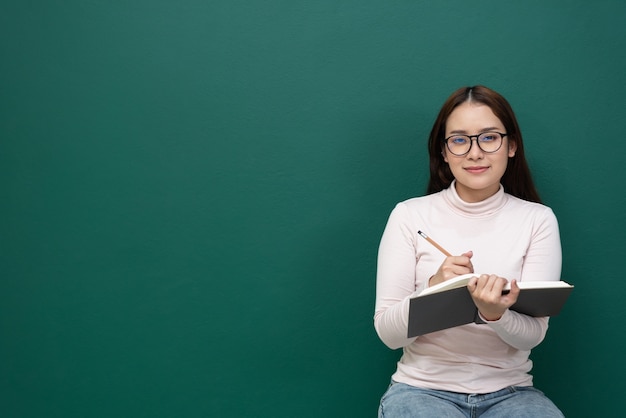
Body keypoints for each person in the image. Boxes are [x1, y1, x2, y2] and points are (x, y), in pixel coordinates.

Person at [374, 85, 565, 417]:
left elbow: (531, 336)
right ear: (444, 152)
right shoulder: (409, 215)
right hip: (421, 390)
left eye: (489, 138)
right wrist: (433, 287)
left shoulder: (538, 220)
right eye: (460, 140)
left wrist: (496, 314)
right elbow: (388, 334)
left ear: (511, 145)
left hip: (511, 392)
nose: (475, 153)